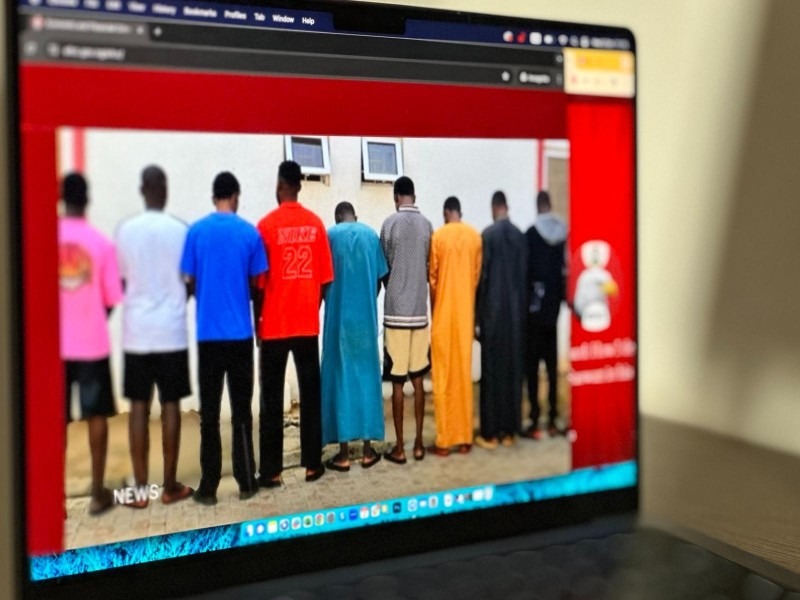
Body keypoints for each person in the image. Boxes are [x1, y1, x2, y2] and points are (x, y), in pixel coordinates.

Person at [180, 172, 266, 505]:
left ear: (214, 196)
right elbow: (258, 285)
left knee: (210, 416)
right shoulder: (249, 233)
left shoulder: (196, 232)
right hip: (240, 335)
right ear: (235, 196)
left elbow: (188, 281)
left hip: (208, 337)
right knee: (242, 413)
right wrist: (258, 325)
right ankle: (246, 482)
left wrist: (203, 294)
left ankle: (209, 488)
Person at [115, 165, 193, 507]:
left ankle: (141, 490)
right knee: (170, 405)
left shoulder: (125, 231)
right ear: (164, 190)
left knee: (138, 407)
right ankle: (171, 486)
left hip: (137, 333)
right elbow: (190, 283)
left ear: (142, 189)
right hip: (171, 332)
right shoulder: (181, 231)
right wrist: (174, 303)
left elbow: (120, 283)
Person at [256, 160, 333, 486]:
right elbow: (326, 279)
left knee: (271, 399)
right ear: (299, 186)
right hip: (305, 324)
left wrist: (259, 322)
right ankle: (313, 465)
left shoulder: (265, 226)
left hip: (274, 324)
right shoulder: (315, 225)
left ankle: (271, 471)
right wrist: (311, 307)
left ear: (279, 186)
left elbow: (258, 282)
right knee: (310, 395)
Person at [58, 172, 123, 515]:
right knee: (96, 416)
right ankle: (98, 493)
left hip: (55, 346)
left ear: (61, 198)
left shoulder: (45, 239)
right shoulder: (101, 243)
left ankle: (55, 498)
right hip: (92, 343)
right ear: (87, 200)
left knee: (55, 420)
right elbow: (112, 298)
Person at [320, 202, 388, 471]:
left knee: (341, 381)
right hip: (365, 323)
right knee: (367, 380)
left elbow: (321, 280)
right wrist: (368, 298)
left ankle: (344, 454)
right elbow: (381, 278)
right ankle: (369, 451)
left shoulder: (330, 236)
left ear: (337, 217)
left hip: (338, 323)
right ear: (355, 216)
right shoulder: (371, 236)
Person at [380, 176, 433, 464]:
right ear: (414, 195)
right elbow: (428, 265)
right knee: (419, 379)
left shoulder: (389, 224)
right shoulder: (427, 226)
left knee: (398, 383)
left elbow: (384, 268)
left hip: (395, 314)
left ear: (395, 197)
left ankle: (400, 448)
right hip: (419, 312)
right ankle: (419, 445)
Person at [428, 197, 482, 456]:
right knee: (463, 375)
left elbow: (433, 280)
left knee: (442, 376)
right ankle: (465, 438)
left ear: (446, 212)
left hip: (443, 315)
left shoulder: (438, 237)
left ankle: (444, 440)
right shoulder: (475, 238)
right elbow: (476, 278)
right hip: (464, 316)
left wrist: (435, 309)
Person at [475, 191, 527, 450]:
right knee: (512, 373)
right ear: (507, 206)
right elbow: (525, 279)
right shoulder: (520, 236)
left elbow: (482, 279)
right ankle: (510, 431)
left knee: (492, 374)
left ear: (494, 207)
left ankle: (491, 434)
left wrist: (477, 317)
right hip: (515, 318)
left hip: (492, 317)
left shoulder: (487, 235)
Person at [524, 191, 568, 439]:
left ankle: (534, 419)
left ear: (537, 206)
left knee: (532, 369)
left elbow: (525, 272)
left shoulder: (530, 234)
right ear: (550, 205)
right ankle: (552, 419)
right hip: (553, 312)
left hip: (534, 312)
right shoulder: (562, 234)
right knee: (552, 368)